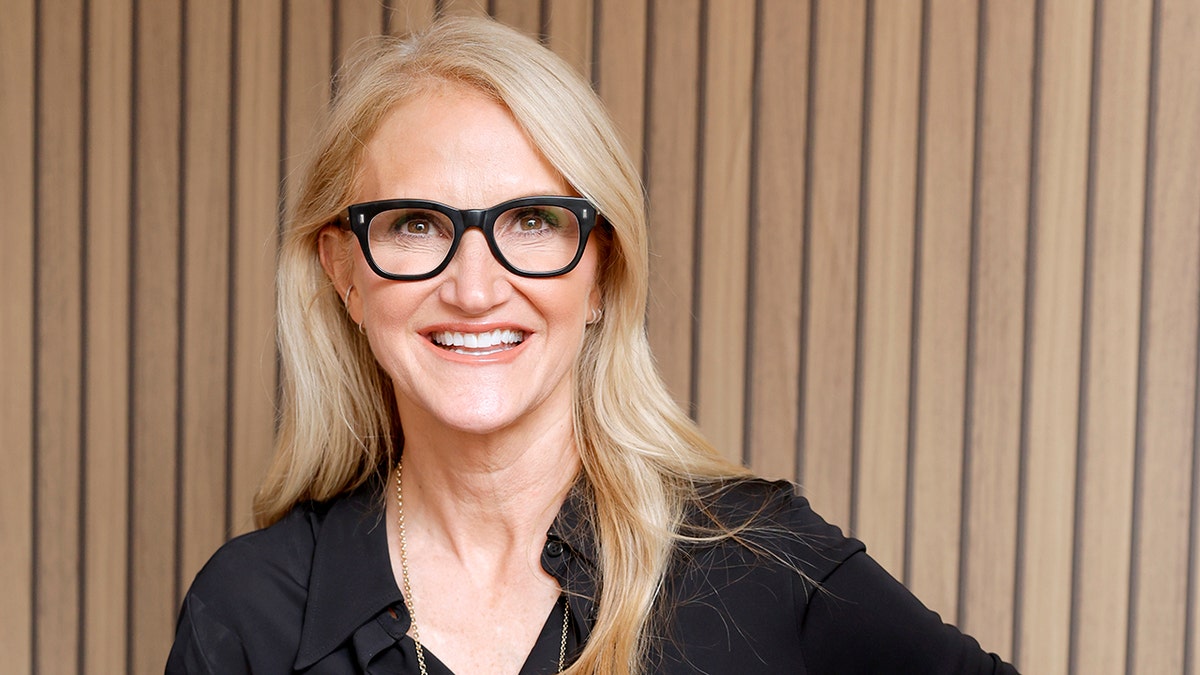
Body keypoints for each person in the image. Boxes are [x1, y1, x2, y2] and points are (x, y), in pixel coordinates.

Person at [167, 15, 1017, 675]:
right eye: (416, 224)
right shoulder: (248, 612)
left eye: (533, 221)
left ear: (603, 271)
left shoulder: (756, 558)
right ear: (345, 272)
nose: (474, 288)